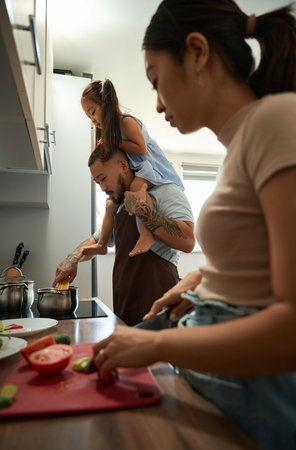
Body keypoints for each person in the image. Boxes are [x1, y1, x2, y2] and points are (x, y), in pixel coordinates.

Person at [91, 1, 296, 449]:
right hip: (215, 364)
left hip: (254, 390)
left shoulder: (278, 123)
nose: (158, 103)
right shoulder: (246, 142)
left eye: (156, 80)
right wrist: (201, 281)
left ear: (198, 52)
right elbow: (256, 255)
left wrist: (158, 347)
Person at [53, 146, 195, 326]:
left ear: (123, 165)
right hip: (125, 306)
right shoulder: (118, 206)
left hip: (159, 307)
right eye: (97, 183)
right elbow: (96, 240)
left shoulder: (166, 191)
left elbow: (188, 240)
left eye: (103, 179)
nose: (103, 187)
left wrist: (143, 210)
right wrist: (73, 258)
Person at [80, 79, 185, 257]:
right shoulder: (109, 132)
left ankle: (147, 235)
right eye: (88, 117)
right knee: (109, 206)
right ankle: (102, 244)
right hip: (137, 168)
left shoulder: (126, 122)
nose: (92, 119)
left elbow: (141, 148)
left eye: (93, 112)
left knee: (138, 188)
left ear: (105, 104)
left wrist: (114, 142)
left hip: (148, 166)